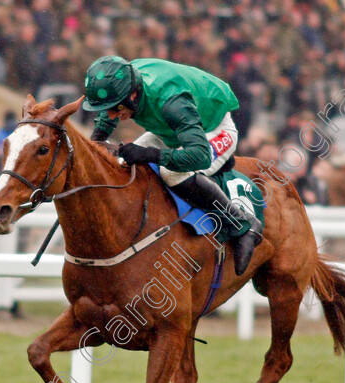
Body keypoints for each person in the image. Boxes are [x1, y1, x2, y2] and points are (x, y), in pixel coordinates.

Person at [82, 56, 261, 275]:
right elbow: (106, 116)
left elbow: (199, 156)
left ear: (132, 94)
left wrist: (149, 154)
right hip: (171, 131)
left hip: (212, 131)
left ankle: (243, 224)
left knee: (171, 172)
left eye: (114, 108)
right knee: (121, 162)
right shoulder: (127, 83)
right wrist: (95, 144)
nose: (112, 115)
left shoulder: (171, 101)